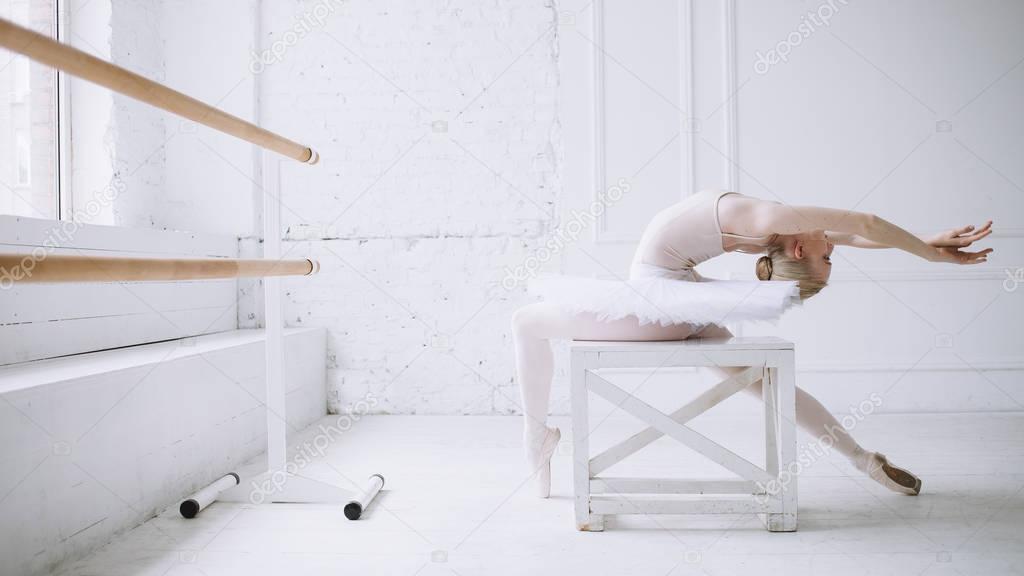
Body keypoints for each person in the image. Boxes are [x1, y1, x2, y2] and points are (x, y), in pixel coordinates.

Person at [512, 189, 993, 498]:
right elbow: (859, 226)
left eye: (828, 257)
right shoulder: (774, 224)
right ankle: (861, 458)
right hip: (670, 300)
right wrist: (928, 247)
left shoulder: (771, 222)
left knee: (525, 321)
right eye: (831, 257)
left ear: (797, 250)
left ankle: (537, 435)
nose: (834, 249)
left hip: (664, 303)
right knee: (760, 383)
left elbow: (861, 226)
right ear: (800, 249)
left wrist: (930, 249)